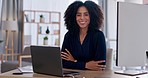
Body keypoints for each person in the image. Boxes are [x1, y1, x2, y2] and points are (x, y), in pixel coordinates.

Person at [61, 1, 106, 71]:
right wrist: (86, 65)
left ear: (92, 16)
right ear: (73, 17)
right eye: (78, 15)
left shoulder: (98, 36)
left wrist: (74, 61)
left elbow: (100, 66)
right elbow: (63, 63)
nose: (82, 18)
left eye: (86, 14)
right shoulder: (69, 35)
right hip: (73, 75)